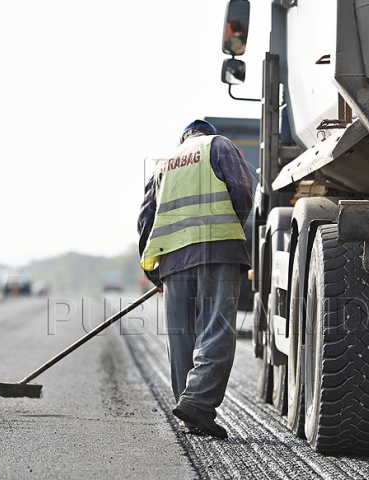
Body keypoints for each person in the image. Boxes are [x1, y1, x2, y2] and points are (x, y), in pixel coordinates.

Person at [138, 119, 253, 438]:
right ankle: (199, 404)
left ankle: (190, 413)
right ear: (206, 132)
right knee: (216, 330)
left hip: (173, 260)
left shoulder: (164, 166)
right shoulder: (219, 145)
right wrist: (232, 227)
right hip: (219, 252)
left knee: (180, 338)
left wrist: (153, 271)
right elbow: (243, 189)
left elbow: (146, 220)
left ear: (183, 138)